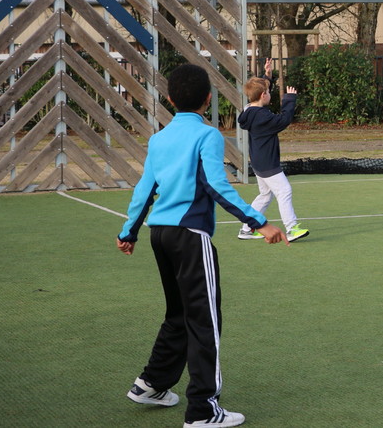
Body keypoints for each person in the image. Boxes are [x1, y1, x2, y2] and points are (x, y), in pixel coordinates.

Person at [117, 63, 286, 428]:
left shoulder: (159, 138)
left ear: (169, 99)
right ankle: (203, 411)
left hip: (160, 235)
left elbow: (145, 188)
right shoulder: (208, 135)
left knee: (179, 314)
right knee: (205, 322)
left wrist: (128, 232)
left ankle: (151, 384)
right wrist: (259, 223)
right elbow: (216, 186)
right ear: (208, 99)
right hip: (191, 237)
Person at [236, 58, 309, 242]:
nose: (270, 94)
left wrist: (267, 76)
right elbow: (284, 120)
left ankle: (246, 229)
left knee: (265, 195)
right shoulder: (263, 117)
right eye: (268, 92)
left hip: (259, 161)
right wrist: (290, 99)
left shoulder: (248, 110)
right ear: (263, 96)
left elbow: (259, 89)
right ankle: (291, 228)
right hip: (267, 162)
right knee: (284, 191)